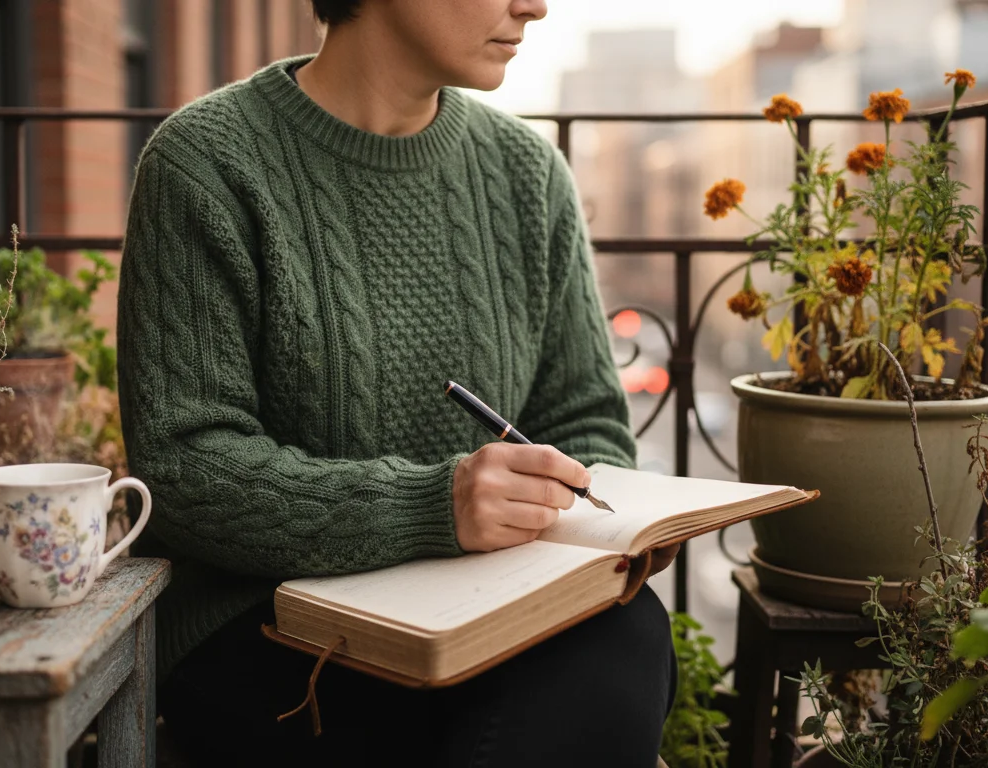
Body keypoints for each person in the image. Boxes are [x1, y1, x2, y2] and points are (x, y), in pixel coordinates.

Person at [117, 0, 679, 765]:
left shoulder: (527, 173)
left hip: (496, 613)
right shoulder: (208, 162)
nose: (535, 6)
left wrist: (606, 528)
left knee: (625, 631)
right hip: (278, 629)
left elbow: (587, 423)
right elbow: (184, 469)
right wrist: (430, 507)